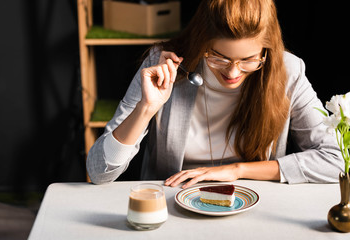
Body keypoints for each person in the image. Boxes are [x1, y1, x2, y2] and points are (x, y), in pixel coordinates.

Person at [87, 0, 343, 187]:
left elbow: (337, 160)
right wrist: (145, 108)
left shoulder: (288, 71)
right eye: (219, 57)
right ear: (203, 42)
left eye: (248, 60)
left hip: (255, 204)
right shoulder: (162, 64)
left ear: (266, 51)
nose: (233, 72)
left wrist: (237, 170)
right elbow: (99, 172)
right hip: (171, 203)